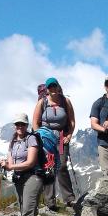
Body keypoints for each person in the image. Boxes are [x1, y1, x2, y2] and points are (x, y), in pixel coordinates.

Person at [0, 113, 46, 216]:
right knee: (29, 215)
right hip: (19, 179)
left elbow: (31, 162)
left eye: (23, 124)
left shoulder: (31, 138)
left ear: (27, 125)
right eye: (18, 124)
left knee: (27, 215)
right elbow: (11, 161)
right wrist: (5, 164)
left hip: (33, 177)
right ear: (15, 125)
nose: (20, 126)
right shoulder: (13, 141)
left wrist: (11, 166)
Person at [32, 77, 76, 209]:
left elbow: (72, 121)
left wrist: (69, 135)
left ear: (58, 87)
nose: (52, 89)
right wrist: (39, 136)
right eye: (50, 87)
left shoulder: (65, 101)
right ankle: (50, 202)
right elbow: (35, 122)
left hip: (62, 137)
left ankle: (69, 199)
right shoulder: (42, 102)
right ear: (47, 89)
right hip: (46, 137)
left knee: (61, 166)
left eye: (54, 86)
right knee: (49, 167)